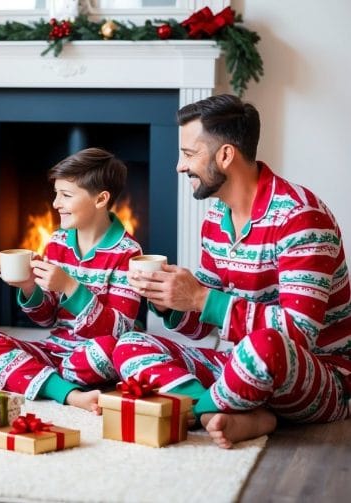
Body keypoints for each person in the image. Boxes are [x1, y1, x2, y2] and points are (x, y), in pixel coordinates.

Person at [113, 94, 351, 448]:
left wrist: (201, 297)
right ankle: (243, 411)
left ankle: (195, 410)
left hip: (322, 375)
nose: (180, 166)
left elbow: (298, 337)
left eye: (189, 154)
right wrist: (168, 300)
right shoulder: (215, 219)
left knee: (264, 346)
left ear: (225, 155)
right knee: (129, 344)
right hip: (239, 367)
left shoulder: (300, 218)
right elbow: (204, 323)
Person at [0, 148, 143, 412]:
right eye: (56, 194)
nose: (55, 203)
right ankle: (66, 390)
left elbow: (120, 330)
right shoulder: (58, 241)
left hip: (93, 353)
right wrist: (29, 286)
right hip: (55, 351)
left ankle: (33, 377)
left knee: (111, 348)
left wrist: (70, 287)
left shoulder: (128, 252)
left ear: (101, 199)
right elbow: (46, 319)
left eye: (66, 195)